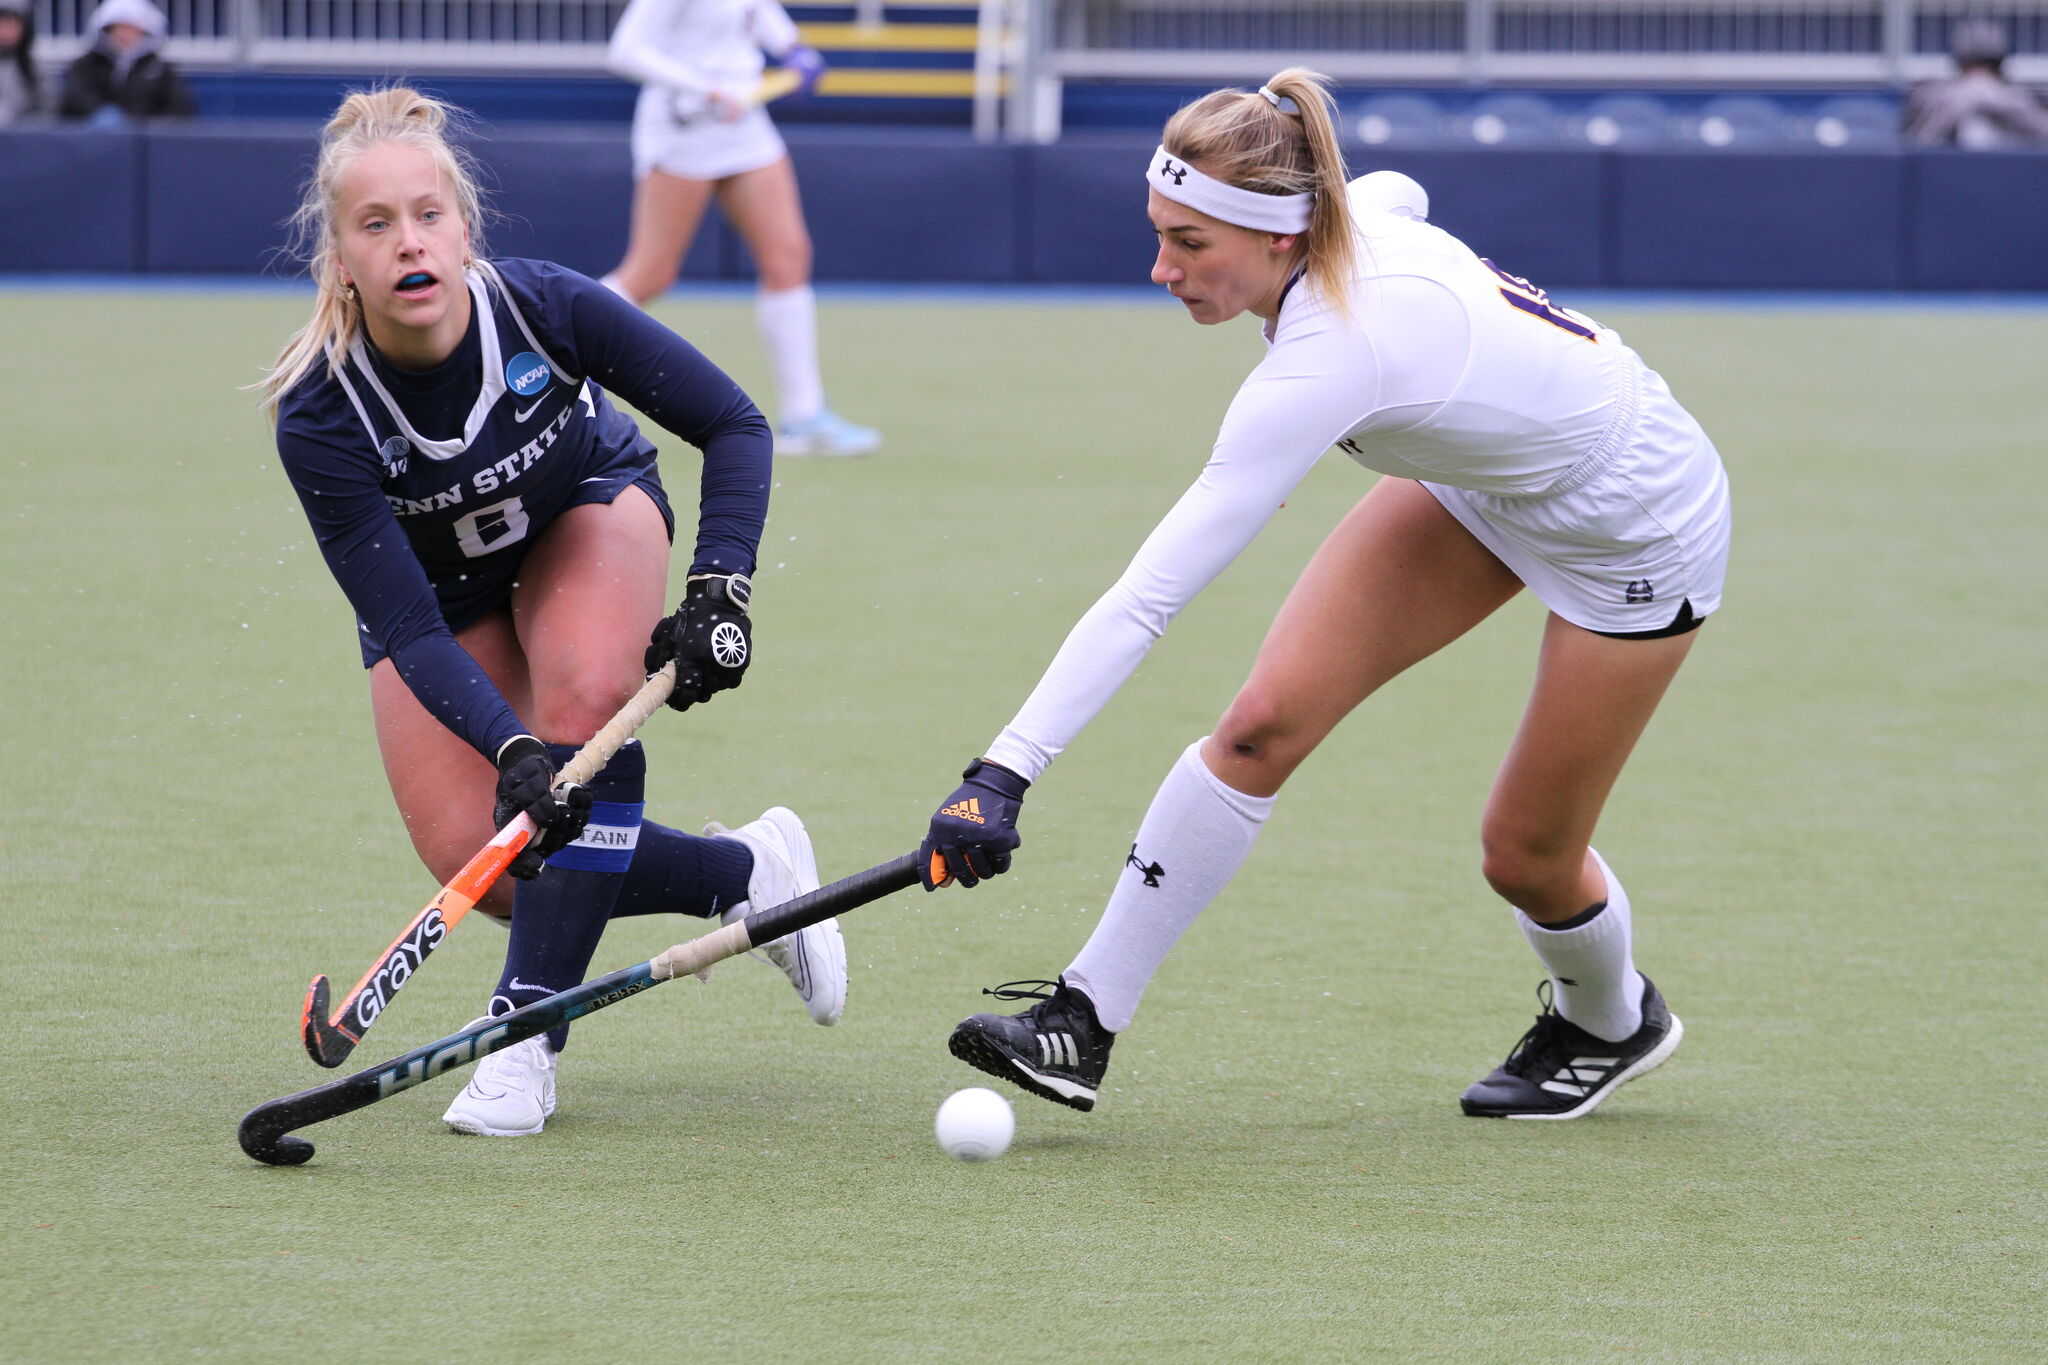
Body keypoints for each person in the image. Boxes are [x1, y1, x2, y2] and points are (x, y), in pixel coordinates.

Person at [919, 69, 1730, 1123]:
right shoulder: (1342, 219)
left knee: (1523, 854)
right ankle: (1082, 1019)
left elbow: (1149, 595)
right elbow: (1396, 192)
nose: (1159, 268)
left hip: (1631, 516)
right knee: (1258, 726)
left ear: (1276, 237)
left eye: (1190, 245)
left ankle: (1610, 1019)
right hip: (1486, 484)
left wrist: (1001, 773)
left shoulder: (1330, 355)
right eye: (1159, 232)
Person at [260, 86, 849, 1139]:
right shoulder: (320, 413)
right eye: (376, 225)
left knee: (587, 688)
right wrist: (511, 747)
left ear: (463, 225)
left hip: (585, 512)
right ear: (339, 256)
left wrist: (720, 584)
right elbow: (408, 630)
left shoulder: (542, 307)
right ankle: (746, 873)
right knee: (482, 860)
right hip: (438, 603)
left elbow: (733, 423)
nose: (409, 244)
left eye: (427, 216)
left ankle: (524, 1036)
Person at [601, 0, 881, 458]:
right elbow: (626, 51)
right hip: (684, 126)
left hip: (744, 123)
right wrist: (705, 87)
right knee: (651, 274)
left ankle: (804, 416)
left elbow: (757, 12)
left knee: (787, 258)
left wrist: (793, 48)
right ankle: (547, 356)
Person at [1903, 19, 2048, 147]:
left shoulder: (2016, 97)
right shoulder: (1938, 95)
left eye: (1985, 67)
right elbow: (1916, 142)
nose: (1979, 80)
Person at [57, 0, 194, 124]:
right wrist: (98, 114)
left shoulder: (160, 70)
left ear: (144, 32)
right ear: (108, 30)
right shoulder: (86, 65)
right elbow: (74, 99)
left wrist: (147, 126)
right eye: (119, 28)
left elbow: (180, 109)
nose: (125, 35)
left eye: (132, 29)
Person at [0, 0, 41, 126]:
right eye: (2, 23)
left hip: (23, 138)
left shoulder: (33, 69)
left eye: (14, 24)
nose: (7, 31)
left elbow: (47, 112)